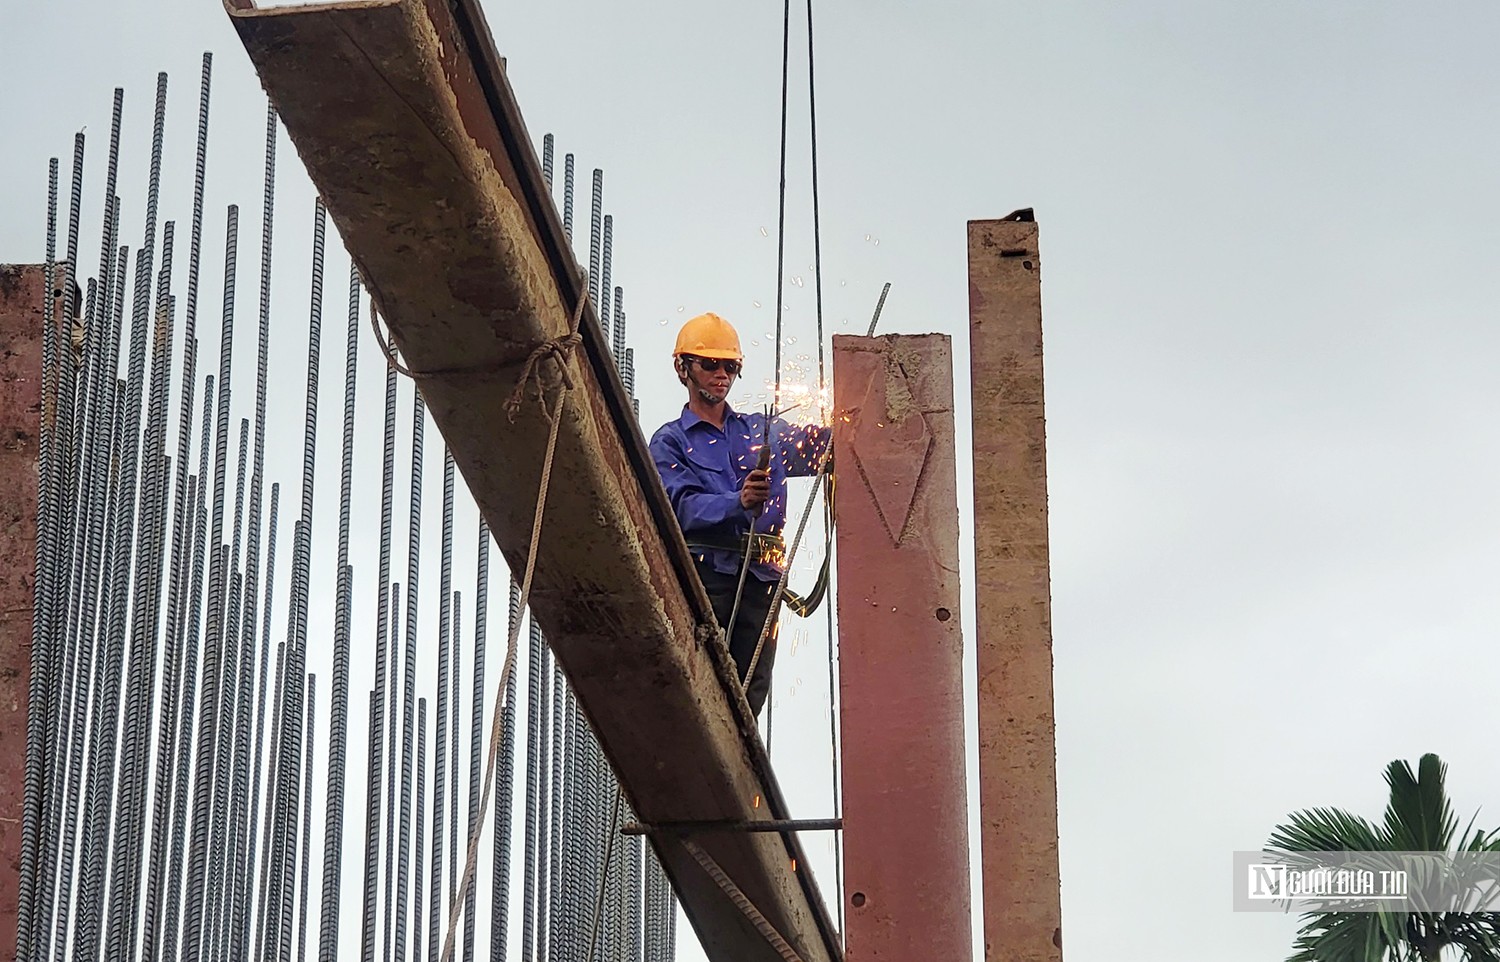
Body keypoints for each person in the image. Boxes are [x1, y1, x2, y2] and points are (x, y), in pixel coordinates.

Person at [649, 312, 830, 717]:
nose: (721, 375)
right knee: (704, 691)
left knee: (748, 701)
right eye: (709, 364)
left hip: (762, 579)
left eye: (729, 367)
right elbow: (679, 508)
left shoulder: (762, 432)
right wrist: (737, 502)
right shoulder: (671, 442)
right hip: (709, 577)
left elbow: (825, 448)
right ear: (683, 369)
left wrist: (856, 422)